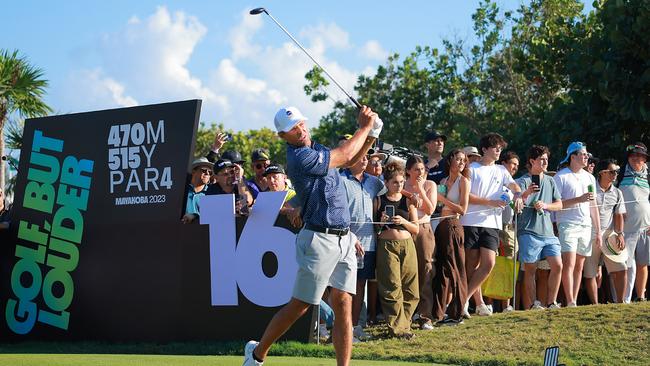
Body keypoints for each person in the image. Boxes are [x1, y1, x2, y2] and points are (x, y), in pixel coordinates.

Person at [243, 105, 382, 366]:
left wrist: (372, 134)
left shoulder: (317, 149)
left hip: (343, 238)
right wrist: (364, 127)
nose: (300, 130)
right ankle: (258, 353)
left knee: (344, 305)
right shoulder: (299, 157)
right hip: (319, 238)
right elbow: (344, 155)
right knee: (301, 305)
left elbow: (350, 161)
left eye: (301, 124)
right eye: (292, 129)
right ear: (283, 137)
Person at [460, 133, 523, 316]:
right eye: (495, 147)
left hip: (492, 224)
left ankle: (464, 300)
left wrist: (518, 196)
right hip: (470, 221)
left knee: (488, 264)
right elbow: (466, 196)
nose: (498, 150)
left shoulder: (502, 170)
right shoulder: (471, 169)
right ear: (485, 149)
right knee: (470, 265)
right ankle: (476, 304)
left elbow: (514, 187)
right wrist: (489, 202)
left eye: (500, 148)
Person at [340, 155, 385, 338]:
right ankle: (342, 326)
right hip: (345, 241)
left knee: (360, 286)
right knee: (343, 288)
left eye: (368, 157)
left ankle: (353, 327)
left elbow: (392, 189)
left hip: (368, 244)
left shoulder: (374, 182)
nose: (366, 160)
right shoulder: (341, 180)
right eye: (362, 156)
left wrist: (412, 195)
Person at [553, 141, 602, 307]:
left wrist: (599, 231)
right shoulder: (561, 176)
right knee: (569, 263)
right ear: (572, 157)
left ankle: (573, 301)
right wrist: (578, 200)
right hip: (567, 223)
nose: (586, 157)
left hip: (586, 226)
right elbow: (556, 204)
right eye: (583, 154)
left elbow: (593, 205)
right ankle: (570, 300)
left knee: (579, 266)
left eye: (587, 154)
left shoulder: (589, 177)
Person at [374, 162, 420, 338]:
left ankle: (404, 325)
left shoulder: (408, 200)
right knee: (391, 287)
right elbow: (375, 230)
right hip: (387, 246)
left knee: (411, 289)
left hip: (408, 245)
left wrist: (403, 221)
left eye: (401, 182)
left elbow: (416, 229)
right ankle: (397, 329)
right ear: (386, 183)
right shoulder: (379, 200)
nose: (399, 185)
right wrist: (382, 221)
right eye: (395, 182)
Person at [516, 145, 564, 310]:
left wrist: (545, 205)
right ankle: (533, 304)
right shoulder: (522, 181)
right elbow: (516, 203)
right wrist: (527, 193)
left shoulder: (551, 180)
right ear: (532, 161)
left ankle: (551, 302)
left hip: (548, 233)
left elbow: (559, 204)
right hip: (528, 231)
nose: (545, 162)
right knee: (530, 269)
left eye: (546, 159)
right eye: (542, 159)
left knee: (558, 265)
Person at [431, 149, 470, 326]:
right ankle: (438, 313)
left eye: (464, 160)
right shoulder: (443, 181)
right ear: (450, 161)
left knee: (456, 267)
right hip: (440, 225)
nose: (461, 163)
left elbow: (463, 209)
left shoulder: (464, 182)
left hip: (453, 224)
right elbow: (437, 205)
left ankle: (457, 311)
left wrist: (442, 199)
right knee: (441, 269)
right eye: (458, 159)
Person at [584, 159, 627, 304]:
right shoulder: (589, 188)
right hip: (590, 233)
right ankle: (595, 305)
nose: (615, 174)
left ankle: (621, 303)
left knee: (621, 269)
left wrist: (620, 233)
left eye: (617, 172)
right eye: (612, 171)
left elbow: (619, 214)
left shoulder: (617, 192)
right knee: (590, 273)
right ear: (602, 173)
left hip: (609, 234)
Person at [403, 155, 437, 329]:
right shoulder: (401, 185)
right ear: (408, 170)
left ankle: (425, 315)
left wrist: (420, 189)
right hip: (405, 230)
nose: (420, 172)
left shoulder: (430, 185)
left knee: (426, 268)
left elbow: (430, 208)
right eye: (416, 169)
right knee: (407, 271)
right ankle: (407, 313)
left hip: (423, 229)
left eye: (422, 169)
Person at [619, 142, 650, 303]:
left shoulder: (649, 174)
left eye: (639, 155)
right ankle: (624, 298)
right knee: (626, 265)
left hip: (646, 228)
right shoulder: (620, 173)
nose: (636, 158)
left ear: (645, 158)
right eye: (633, 155)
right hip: (625, 229)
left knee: (643, 263)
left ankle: (641, 296)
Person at [497, 151, 520, 311]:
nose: (515, 168)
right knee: (492, 263)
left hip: (508, 227)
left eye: (517, 166)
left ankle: (506, 305)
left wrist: (520, 195)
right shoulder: (496, 178)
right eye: (513, 164)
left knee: (508, 264)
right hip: (494, 226)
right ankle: (489, 305)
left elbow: (518, 193)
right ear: (504, 163)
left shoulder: (513, 185)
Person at [181, 157, 214, 224]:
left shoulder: (211, 193)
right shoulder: (182, 190)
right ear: (193, 172)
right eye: (204, 170)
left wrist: (195, 216)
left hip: (202, 232)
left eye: (210, 172)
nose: (207, 173)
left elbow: (212, 215)